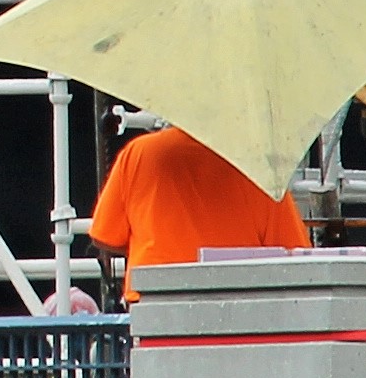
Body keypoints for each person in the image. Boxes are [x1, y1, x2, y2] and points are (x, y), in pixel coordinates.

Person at [86, 115, 311, 300]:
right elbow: (292, 249)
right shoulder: (256, 166)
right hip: (238, 303)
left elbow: (104, 237)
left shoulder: (139, 153)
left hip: (154, 302)